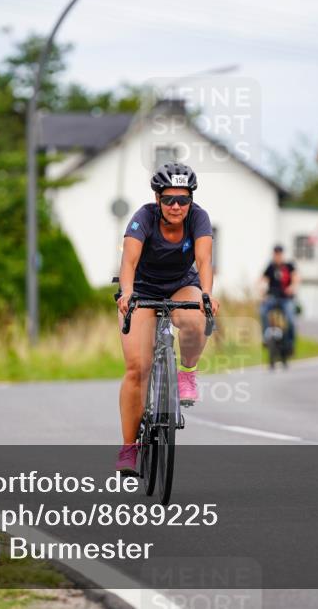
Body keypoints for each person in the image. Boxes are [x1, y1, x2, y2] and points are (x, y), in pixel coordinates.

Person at [114, 162, 219, 475]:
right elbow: (129, 262)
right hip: (142, 288)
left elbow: (204, 259)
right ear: (157, 198)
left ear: (191, 200)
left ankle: (187, 372)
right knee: (137, 368)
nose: (176, 206)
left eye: (183, 200)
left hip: (181, 285)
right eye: (169, 199)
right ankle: (129, 448)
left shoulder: (198, 218)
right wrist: (128, 293)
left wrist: (207, 294)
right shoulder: (143, 218)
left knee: (196, 317)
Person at [259, 245, 299, 349]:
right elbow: (262, 280)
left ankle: (290, 343)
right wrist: (262, 293)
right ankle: (265, 336)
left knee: (291, 319)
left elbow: (296, 278)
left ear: (282, 254)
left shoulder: (289, 266)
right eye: (275, 254)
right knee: (262, 311)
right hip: (272, 297)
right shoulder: (271, 267)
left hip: (286, 298)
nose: (277, 256)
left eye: (279, 254)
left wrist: (292, 287)